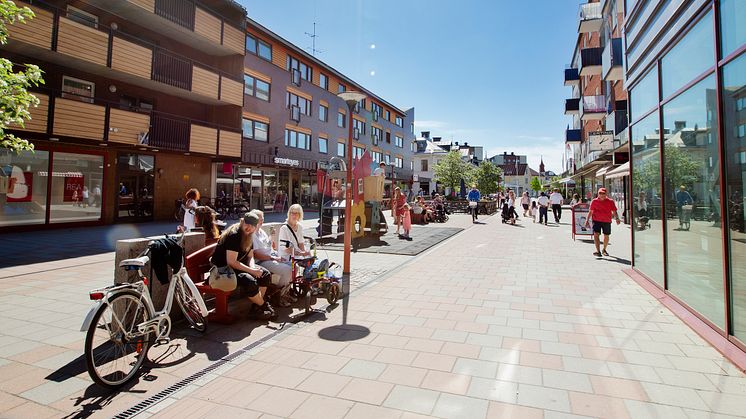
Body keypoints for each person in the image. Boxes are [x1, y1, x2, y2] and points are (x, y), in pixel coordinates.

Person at [211, 212, 275, 320]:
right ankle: (264, 306)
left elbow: (250, 256)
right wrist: (252, 271)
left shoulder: (249, 236)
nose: (249, 227)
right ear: (242, 221)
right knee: (249, 281)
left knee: (265, 275)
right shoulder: (234, 235)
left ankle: (256, 308)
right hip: (223, 270)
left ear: (256, 227)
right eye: (247, 223)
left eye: (252, 225)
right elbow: (231, 262)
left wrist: (253, 267)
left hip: (236, 267)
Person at [251, 210, 294, 307]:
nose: (262, 221)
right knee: (287, 269)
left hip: (270, 257)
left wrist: (277, 256)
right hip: (262, 261)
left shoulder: (261, 232)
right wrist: (273, 258)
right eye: (260, 219)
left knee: (293, 265)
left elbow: (269, 247)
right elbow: (256, 254)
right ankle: (279, 295)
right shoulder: (252, 234)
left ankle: (284, 292)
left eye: (262, 219)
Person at [585, 188, 621, 257]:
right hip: (596, 220)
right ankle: (598, 251)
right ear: (598, 194)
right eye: (600, 193)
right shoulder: (594, 201)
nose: (602, 195)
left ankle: (604, 249)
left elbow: (614, 211)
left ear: (606, 194)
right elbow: (591, 211)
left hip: (606, 221)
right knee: (596, 234)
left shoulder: (610, 201)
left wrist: (617, 218)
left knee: (606, 236)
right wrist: (587, 220)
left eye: (603, 193)